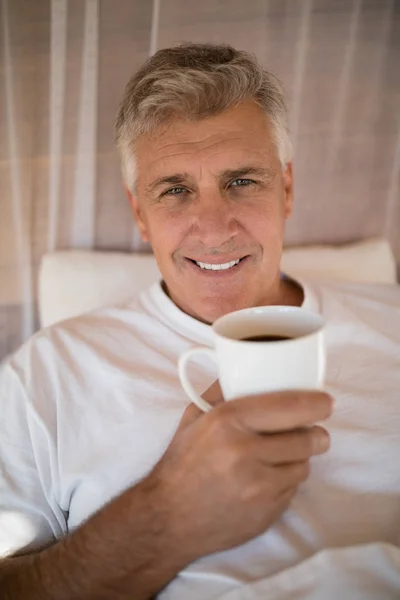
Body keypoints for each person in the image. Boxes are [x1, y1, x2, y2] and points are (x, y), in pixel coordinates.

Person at [0, 43, 399, 600]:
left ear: (286, 189)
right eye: (175, 191)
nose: (213, 229)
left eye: (242, 181)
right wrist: (162, 516)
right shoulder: (45, 374)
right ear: (139, 213)